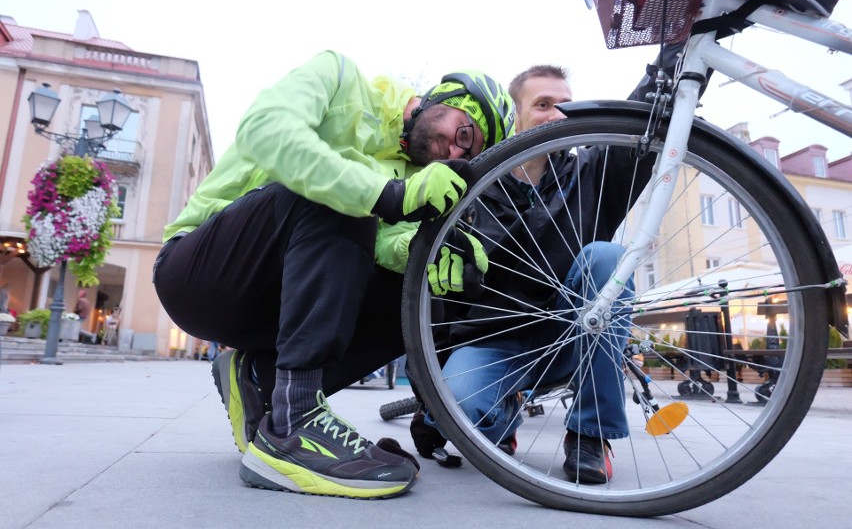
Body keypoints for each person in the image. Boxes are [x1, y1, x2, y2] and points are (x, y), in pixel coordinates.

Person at [152, 50, 513, 499]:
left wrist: (434, 256)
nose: (454, 151)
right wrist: (386, 194)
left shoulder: (413, 175)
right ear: (446, 96)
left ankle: (261, 383)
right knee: (344, 193)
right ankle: (295, 426)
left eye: (466, 153)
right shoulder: (338, 77)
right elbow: (266, 132)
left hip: (275, 303)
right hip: (200, 272)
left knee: (421, 292)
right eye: (463, 132)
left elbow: (375, 246)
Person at [421, 63, 665, 484]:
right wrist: (429, 395)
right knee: (459, 414)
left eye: (566, 106)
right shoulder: (473, 185)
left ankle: (590, 435)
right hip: (492, 341)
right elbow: (436, 299)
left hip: (571, 333)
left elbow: (644, 119)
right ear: (516, 116)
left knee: (607, 258)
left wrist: (673, 60)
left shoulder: (592, 172)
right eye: (543, 105)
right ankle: (503, 413)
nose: (557, 115)